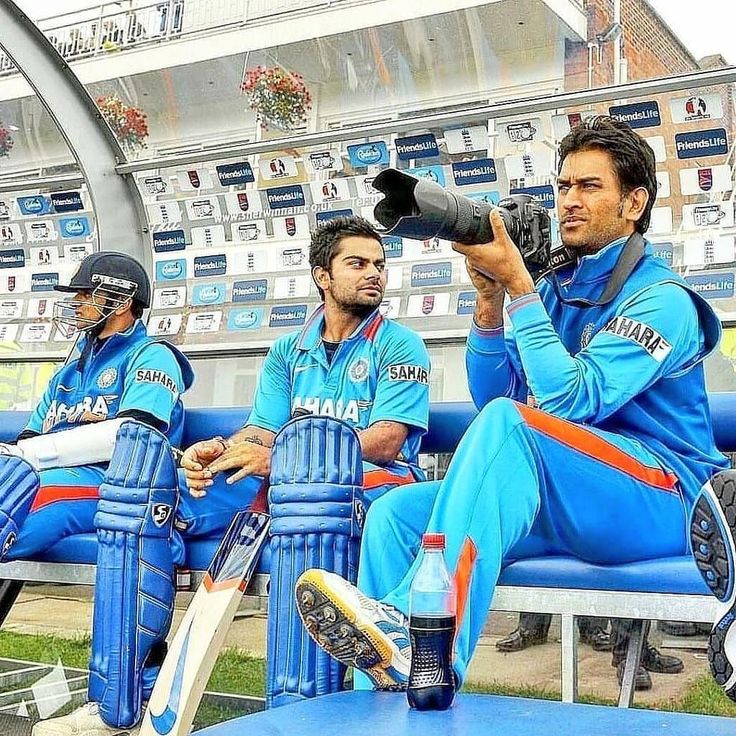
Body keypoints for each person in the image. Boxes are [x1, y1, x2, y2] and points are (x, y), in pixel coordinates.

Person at [294, 116, 729, 695]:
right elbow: (497, 397)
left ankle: (422, 642)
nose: (569, 201)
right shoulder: (556, 287)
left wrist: (522, 288)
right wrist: (489, 300)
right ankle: (389, 697)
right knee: (396, 517)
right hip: (571, 497)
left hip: (663, 497)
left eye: (590, 187)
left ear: (634, 203)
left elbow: (568, 401)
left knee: (511, 429)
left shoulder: (663, 299)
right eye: (564, 186)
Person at [181, 214, 431, 706]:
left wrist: (290, 458)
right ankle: (145, 674)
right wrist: (218, 451)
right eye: (356, 263)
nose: (373, 273)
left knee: (310, 498)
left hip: (377, 483)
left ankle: (319, 699)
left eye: (379, 264)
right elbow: (261, 430)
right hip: (292, 486)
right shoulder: (287, 350)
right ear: (322, 275)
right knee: (163, 500)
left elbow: (385, 440)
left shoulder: (400, 343)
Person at [2, 252, 194, 736]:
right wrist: (31, 456)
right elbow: (28, 442)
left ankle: (118, 703)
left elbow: (133, 431)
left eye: (88, 294)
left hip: (122, 490)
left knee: (30, 496)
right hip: (56, 484)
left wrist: (36, 456)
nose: (79, 304)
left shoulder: (153, 356)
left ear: (121, 299)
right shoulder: (72, 364)